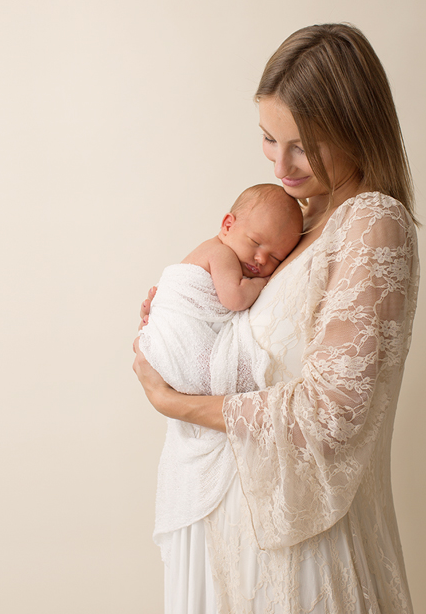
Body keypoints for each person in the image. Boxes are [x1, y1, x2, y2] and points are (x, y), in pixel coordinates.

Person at [133, 23, 420, 614]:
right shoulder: (297, 221)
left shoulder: (371, 223)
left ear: (356, 129)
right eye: (269, 139)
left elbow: (333, 411)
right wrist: (185, 306)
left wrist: (176, 402)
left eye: (304, 145)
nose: (283, 166)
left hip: (302, 553)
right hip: (231, 533)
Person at [138, 184, 302, 569]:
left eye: (276, 258)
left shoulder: (226, 249)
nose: (260, 259)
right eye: (256, 243)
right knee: (230, 367)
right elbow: (234, 300)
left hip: (169, 347)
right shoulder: (220, 253)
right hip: (181, 345)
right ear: (227, 225)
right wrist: (261, 286)